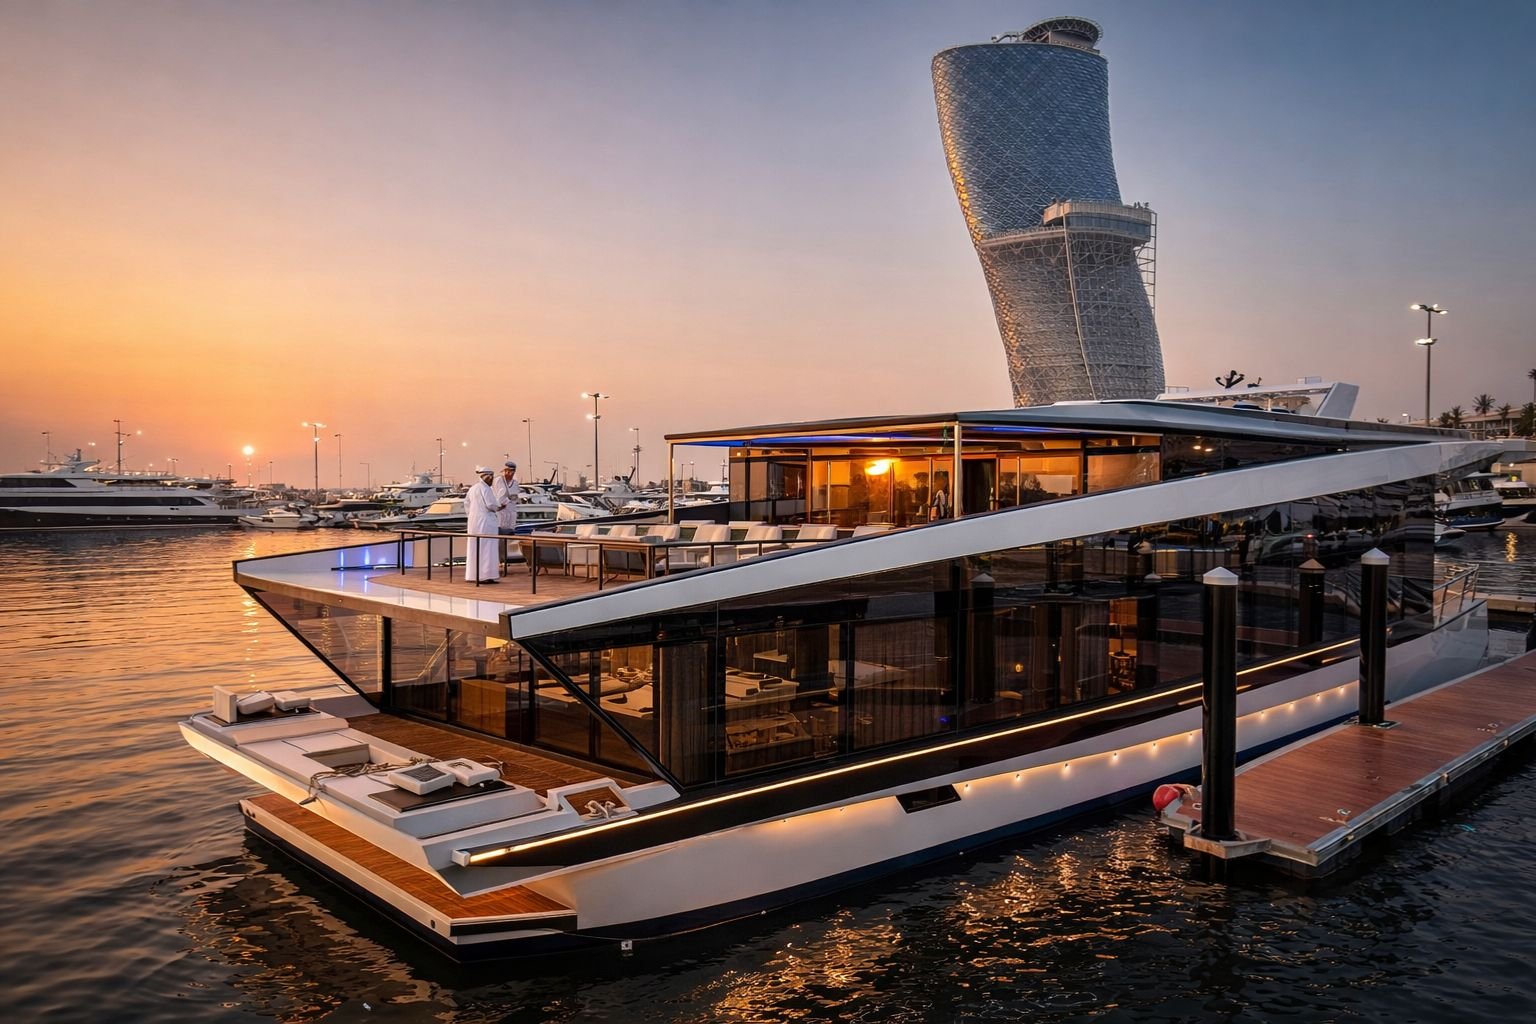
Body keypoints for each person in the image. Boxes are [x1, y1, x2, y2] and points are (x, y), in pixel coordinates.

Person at [464, 466, 502, 583]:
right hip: (486, 523)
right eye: (491, 477)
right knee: (487, 548)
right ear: (487, 477)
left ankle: (473, 575)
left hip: (473, 522)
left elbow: (466, 504)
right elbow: (491, 505)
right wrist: (499, 507)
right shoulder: (486, 489)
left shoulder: (473, 488)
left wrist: (472, 515)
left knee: (474, 548)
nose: (492, 480)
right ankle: (486, 575)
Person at [494, 461, 520, 535]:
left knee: (509, 538)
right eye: (508, 471)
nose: (510, 474)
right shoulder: (498, 480)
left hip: (511, 514)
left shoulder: (515, 483)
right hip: (500, 514)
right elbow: (499, 498)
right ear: (505, 471)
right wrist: (507, 499)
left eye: (512, 472)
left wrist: (511, 498)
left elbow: (515, 497)